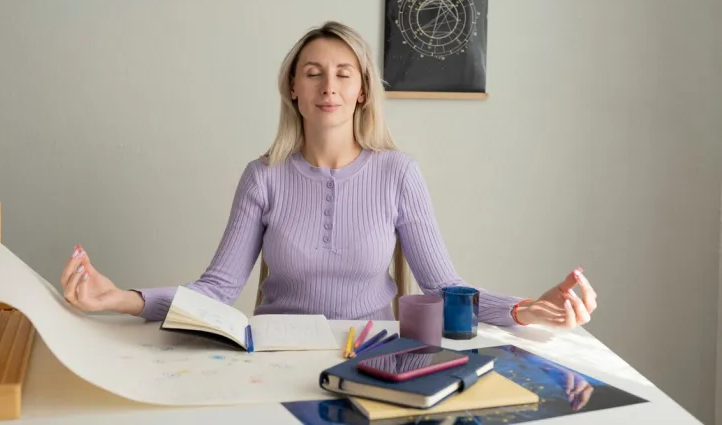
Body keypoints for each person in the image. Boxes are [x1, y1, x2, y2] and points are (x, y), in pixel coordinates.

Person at [59, 21, 597, 328]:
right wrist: (120, 298)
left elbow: (444, 288)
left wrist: (528, 309)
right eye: (312, 74)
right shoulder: (262, 177)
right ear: (293, 88)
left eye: (344, 74)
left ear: (362, 90)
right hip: (272, 354)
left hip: (373, 358)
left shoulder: (398, 173)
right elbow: (217, 290)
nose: (329, 87)